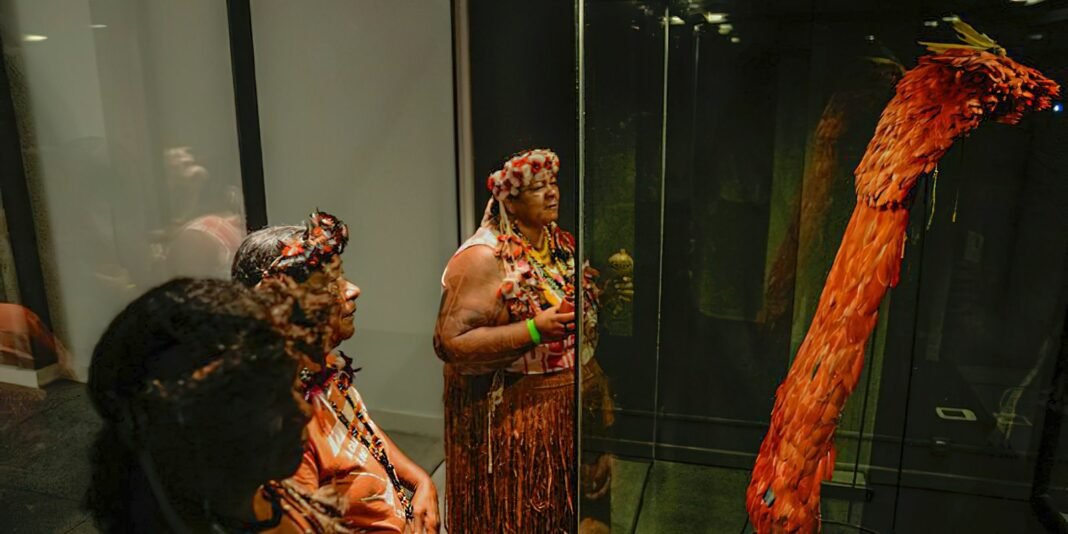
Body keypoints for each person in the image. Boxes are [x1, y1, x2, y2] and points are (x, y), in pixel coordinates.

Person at [434, 148, 624, 532]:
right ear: (510, 201)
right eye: (537, 188)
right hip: (517, 416)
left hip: (565, 411)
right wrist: (534, 330)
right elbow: (450, 342)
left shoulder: (557, 242)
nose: (552, 192)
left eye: (552, 183)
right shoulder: (483, 257)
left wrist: (602, 299)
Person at [85, 277, 351, 532]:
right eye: (268, 401)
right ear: (182, 421)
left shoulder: (273, 498)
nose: (303, 412)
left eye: (294, 387)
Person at [232, 211, 440, 534]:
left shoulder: (322, 370)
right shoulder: (285, 423)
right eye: (330, 284)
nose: (352, 290)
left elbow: (361, 431)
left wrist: (420, 480)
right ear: (284, 306)